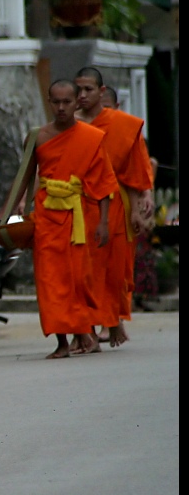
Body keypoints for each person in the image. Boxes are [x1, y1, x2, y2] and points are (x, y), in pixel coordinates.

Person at [1, 79, 118, 358]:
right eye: (57, 102)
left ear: (77, 101)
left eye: (68, 101)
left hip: (78, 215)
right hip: (47, 216)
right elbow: (26, 175)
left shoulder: (90, 137)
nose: (62, 107)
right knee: (50, 281)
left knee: (78, 279)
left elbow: (104, 182)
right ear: (49, 102)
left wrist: (103, 222)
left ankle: (83, 332)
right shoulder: (38, 136)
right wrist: (8, 210)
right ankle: (62, 342)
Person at [73, 67, 155, 350]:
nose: (82, 95)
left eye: (88, 90)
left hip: (114, 204)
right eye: (78, 90)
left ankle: (110, 319)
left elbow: (134, 171)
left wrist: (137, 207)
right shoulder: (68, 124)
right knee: (81, 269)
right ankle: (88, 330)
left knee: (112, 269)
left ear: (102, 91)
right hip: (78, 203)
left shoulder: (123, 124)